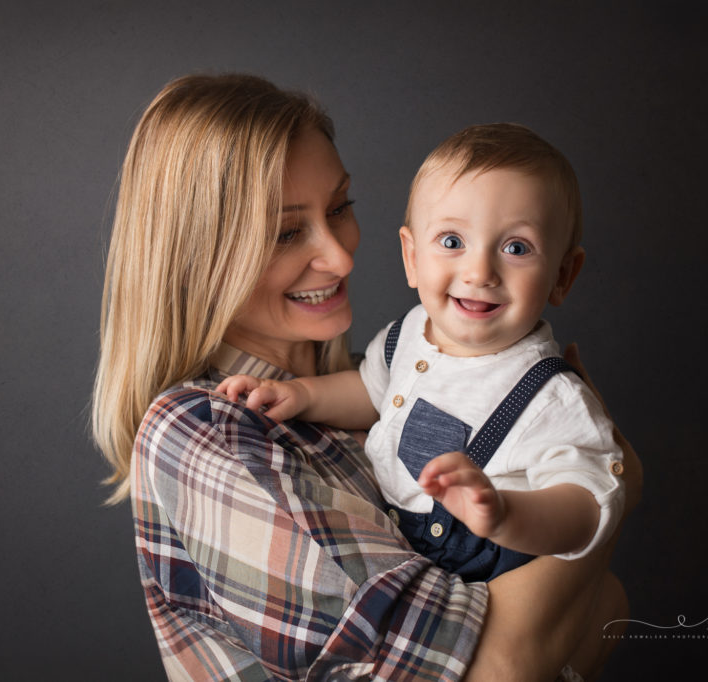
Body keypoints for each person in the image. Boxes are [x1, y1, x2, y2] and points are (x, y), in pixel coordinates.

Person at [92, 73, 641, 681]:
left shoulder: (381, 391)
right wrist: (619, 494)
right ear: (202, 258)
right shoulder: (203, 431)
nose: (343, 255)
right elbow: (494, 672)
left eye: (340, 208)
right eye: (287, 231)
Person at [217, 123, 625, 585]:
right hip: (407, 547)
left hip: (488, 568)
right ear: (412, 257)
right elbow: (371, 390)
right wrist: (302, 395)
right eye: (452, 242)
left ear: (562, 276)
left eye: (516, 248)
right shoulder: (409, 334)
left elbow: (588, 504)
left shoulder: (550, 396)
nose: (478, 271)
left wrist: (506, 513)